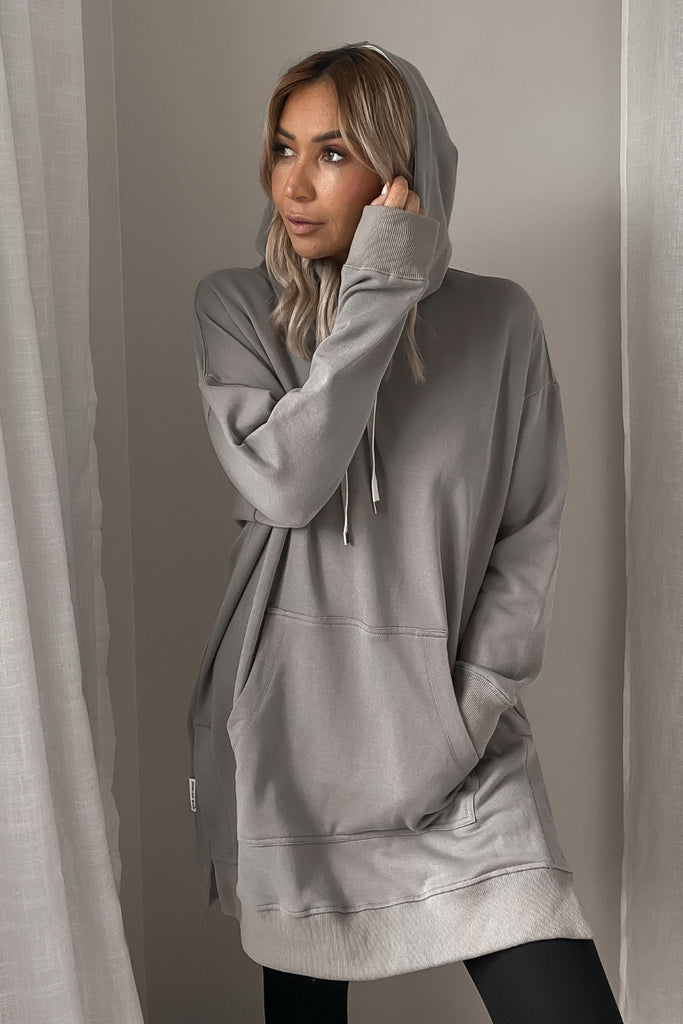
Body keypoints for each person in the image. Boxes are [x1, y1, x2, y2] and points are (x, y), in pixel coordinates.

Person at [186, 41, 625, 1023]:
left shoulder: (500, 321)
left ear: (402, 171)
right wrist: (379, 286)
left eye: (333, 152)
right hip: (295, 746)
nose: (293, 183)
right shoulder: (237, 309)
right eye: (283, 147)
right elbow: (289, 481)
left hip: (457, 747)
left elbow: (526, 535)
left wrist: (471, 707)